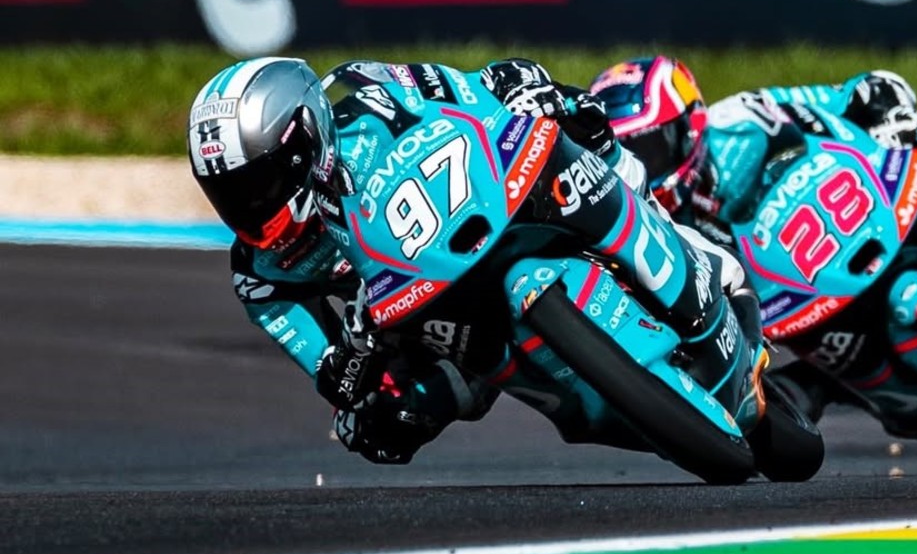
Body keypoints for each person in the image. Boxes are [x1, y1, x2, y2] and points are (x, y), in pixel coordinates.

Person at [187, 56, 768, 468]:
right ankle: (595, 402)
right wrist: (352, 362)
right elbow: (330, 373)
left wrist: (526, 90)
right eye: (228, 192)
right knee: (377, 428)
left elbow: (472, 85)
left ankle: (705, 272)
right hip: (416, 317)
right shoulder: (261, 276)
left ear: (305, 141)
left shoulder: (368, 93)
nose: (246, 207)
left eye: (256, 184)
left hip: (486, 206)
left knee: (592, 142)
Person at [589, 56, 917, 452]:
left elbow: (858, 91)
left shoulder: (744, 115)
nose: (642, 167)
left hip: (860, 220)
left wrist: (890, 113)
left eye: (650, 147)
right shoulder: (656, 227)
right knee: (911, 413)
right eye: (626, 153)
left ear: (691, 126)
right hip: (798, 309)